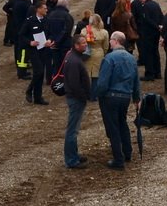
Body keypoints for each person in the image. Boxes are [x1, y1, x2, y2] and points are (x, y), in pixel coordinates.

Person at [95, 31, 142, 170]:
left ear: (116, 41)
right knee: (122, 123)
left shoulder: (109, 58)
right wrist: (136, 97)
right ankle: (127, 152)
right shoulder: (131, 58)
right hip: (125, 97)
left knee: (113, 127)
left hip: (111, 97)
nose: (109, 42)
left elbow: (103, 82)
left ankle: (118, 159)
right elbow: (136, 79)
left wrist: (99, 94)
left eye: (110, 40)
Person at [61, 34, 91, 169]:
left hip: (75, 98)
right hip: (76, 99)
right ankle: (71, 160)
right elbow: (74, 84)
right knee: (72, 130)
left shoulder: (73, 57)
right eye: (83, 43)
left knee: (74, 129)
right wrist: (83, 97)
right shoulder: (74, 61)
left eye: (85, 42)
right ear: (76, 45)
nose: (86, 45)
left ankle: (74, 154)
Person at [20, 2, 53, 105]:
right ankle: (29, 90)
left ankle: (38, 97)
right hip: (34, 51)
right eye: (44, 8)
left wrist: (50, 40)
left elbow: (51, 33)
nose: (46, 10)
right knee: (38, 71)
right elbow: (21, 35)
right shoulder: (30, 21)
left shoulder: (47, 20)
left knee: (41, 73)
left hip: (44, 49)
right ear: (38, 9)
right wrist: (30, 42)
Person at [4, 0, 33, 79]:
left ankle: (21, 69)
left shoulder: (18, 2)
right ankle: (22, 72)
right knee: (23, 51)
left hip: (17, 28)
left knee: (20, 50)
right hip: (22, 30)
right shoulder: (24, 4)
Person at [80, 14, 110, 101]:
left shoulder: (84, 31)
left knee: (86, 74)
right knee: (96, 76)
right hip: (99, 53)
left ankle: (85, 93)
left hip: (86, 53)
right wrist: (103, 53)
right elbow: (106, 46)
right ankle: (94, 95)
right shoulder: (104, 32)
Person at [47, 0, 75, 85]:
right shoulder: (67, 16)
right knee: (65, 64)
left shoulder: (50, 15)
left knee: (55, 63)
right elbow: (66, 31)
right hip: (64, 44)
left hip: (53, 44)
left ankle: (54, 80)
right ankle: (64, 82)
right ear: (66, 5)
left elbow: (47, 29)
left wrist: (52, 41)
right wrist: (58, 41)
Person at [137, 0, 163, 81]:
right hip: (156, 33)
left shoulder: (145, 6)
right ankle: (157, 72)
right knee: (155, 52)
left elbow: (147, 19)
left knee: (148, 53)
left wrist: (156, 26)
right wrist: (160, 26)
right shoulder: (156, 4)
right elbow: (161, 16)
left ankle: (149, 74)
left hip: (148, 33)